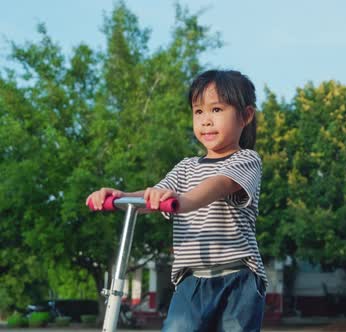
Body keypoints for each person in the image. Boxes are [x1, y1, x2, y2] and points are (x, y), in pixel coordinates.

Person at [87, 70, 267, 331]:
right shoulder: (185, 167)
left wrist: (180, 200)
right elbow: (154, 195)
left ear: (246, 116)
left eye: (216, 110)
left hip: (237, 277)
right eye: (198, 112)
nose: (206, 121)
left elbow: (217, 186)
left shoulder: (246, 160)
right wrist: (121, 196)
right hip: (191, 280)